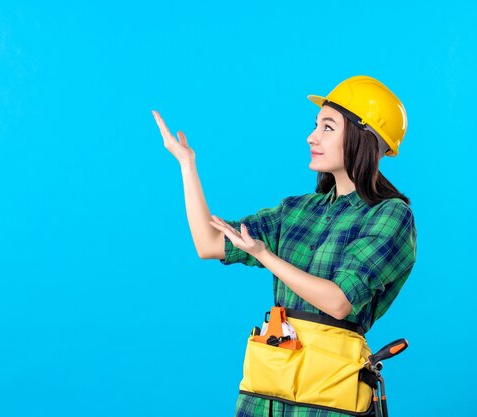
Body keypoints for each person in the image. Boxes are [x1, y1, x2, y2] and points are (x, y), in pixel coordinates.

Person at [152, 75, 417, 417]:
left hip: (325, 398)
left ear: (362, 138)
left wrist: (264, 255)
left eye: (328, 127)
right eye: (315, 125)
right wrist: (187, 164)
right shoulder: (297, 211)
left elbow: (338, 302)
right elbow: (209, 243)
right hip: (267, 391)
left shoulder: (390, 216)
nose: (312, 137)